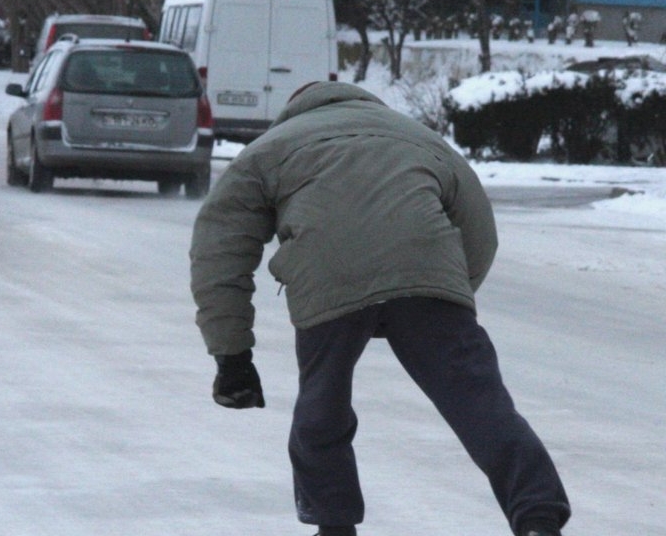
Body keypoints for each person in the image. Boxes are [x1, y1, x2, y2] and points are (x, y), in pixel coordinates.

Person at [189, 81, 571, 536]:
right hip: (426, 268)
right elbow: (478, 228)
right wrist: (446, 293)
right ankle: (538, 516)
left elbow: (219, 251)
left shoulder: (270, 148)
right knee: (480, 404)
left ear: (292, 111)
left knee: (322, 406)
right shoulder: (418, 136)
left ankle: (334, 526)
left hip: (329, 274)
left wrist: (231, 356)